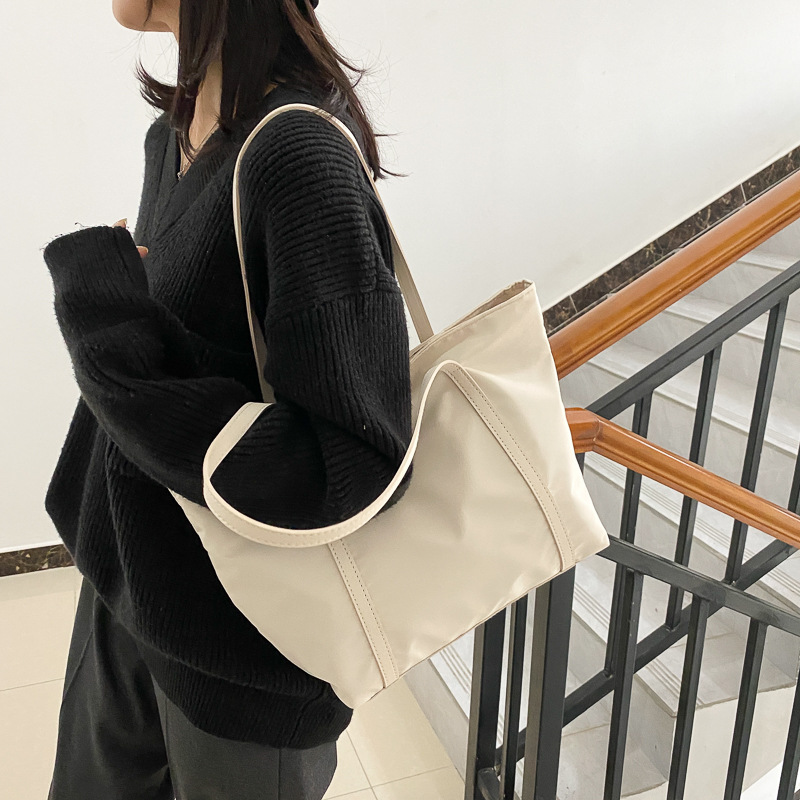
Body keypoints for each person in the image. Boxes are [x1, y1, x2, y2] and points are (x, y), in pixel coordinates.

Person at [41, 0, 414, 797]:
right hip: (132, 586)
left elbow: (353, 469)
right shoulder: (174, 136)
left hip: (247, 666)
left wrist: (109, 332)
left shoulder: (299, 156)